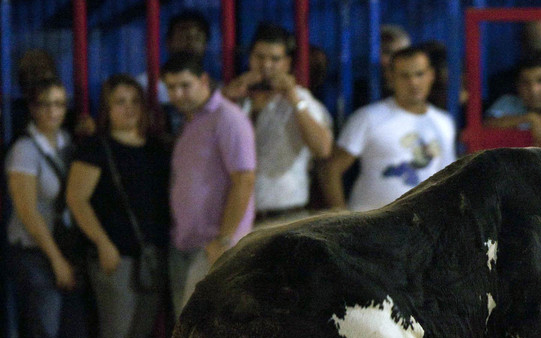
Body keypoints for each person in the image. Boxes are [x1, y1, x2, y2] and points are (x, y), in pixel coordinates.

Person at [65, 74, 171, 338]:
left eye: (134, 101)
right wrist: (102, 243)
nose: (128, 109)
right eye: (119, 102)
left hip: (151, 256)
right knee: (115, 334)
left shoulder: (156, 148)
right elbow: (76, 200)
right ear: (107, 110)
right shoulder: (97, 149)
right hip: (115, 256)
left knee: (139, 335)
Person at [4, 78, 85, 338]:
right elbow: (27, 212)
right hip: (34, 250)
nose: (53, 111)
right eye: (45, 104)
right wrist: (55, 259)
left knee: (73, 331)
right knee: (46, 332)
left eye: (59, 104)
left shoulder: (66, 143)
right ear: (32, 109)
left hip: (62, 248)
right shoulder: (24, 150)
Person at [161, 52, 255, 317]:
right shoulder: (192, 121)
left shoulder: (227, 118)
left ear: (203, 80)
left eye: (184, 85)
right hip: (187, 243)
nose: (178, 94)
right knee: (188, 332)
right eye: (171, 87)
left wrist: (224, 240)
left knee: (204, 335)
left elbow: (245, 180)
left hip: (213, 246)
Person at [221, 23, 333, 227]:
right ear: (250, 59)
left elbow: (323, 149)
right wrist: (227, 99)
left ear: (287, 63)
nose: (266, 65)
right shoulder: (238, 99)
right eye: (259, 57)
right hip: (239, 218)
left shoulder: (301, 99)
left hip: (286, 216)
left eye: (275, 59)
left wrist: (293, 98)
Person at [322, 45, 455, 212]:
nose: (413, 82)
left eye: (419, 74)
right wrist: (340, 218)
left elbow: (448, 177)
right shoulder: (368, 118)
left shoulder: (443, 122)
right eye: (405, 76)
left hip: (423, 226)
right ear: (390, 78)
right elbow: (331, 169)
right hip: (370, 226)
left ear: (431, 76)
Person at [484, 54, 541, 147]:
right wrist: (530, 118)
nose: (533, 90)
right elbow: (487, 124)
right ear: (517, 86)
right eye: (525, 83)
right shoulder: (508, 102)